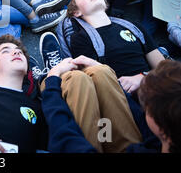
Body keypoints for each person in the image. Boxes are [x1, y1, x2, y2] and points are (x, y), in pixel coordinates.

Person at [41, 56, 181, 152]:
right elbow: (140, 120)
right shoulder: (166, 137)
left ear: (161, 129)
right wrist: (109, 78)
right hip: (116, 141)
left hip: (87, 148)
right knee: (101, 72)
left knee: (75, 79)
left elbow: (63, 134)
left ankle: (47, 76)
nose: (143, 108)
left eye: (147, 107)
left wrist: (52, 79)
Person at [67, 0, 165, 93]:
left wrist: (143, 78)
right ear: (76, 12)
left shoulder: (133, 26)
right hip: (121, 94)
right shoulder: (80, 38)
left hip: (155, 86)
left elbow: (163, 68)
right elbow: (96, 80)